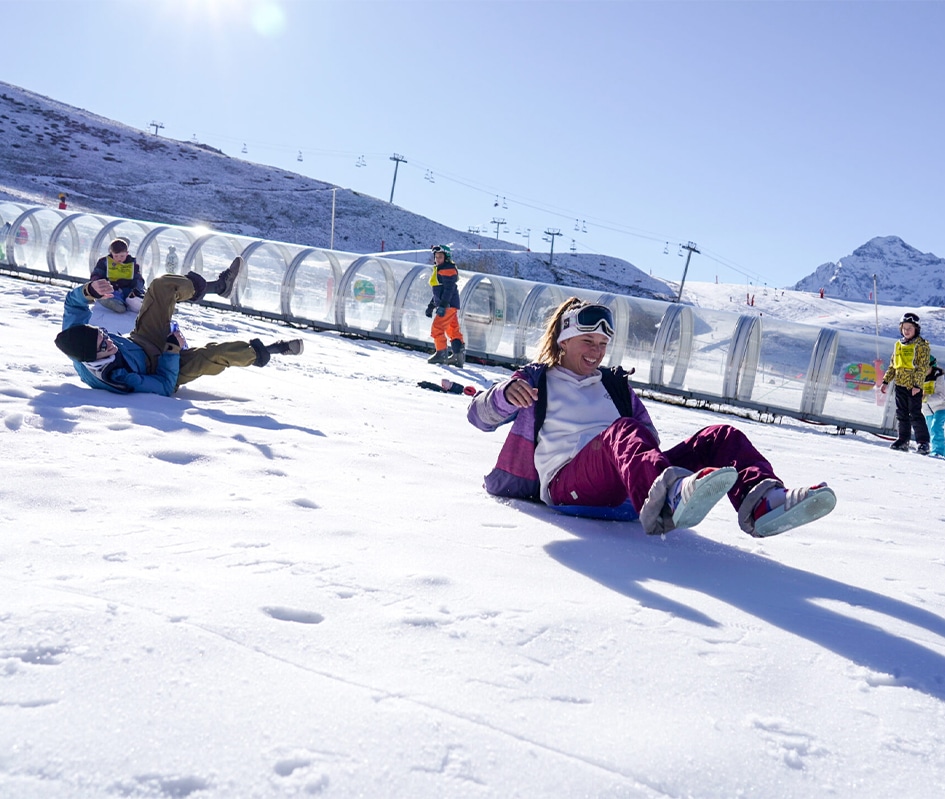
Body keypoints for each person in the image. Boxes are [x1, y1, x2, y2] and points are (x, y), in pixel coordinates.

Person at [467, 297, 837, 538]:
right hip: (569, 487)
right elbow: (478, 416)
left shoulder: (614, 386)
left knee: (721, 436)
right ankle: (668, 498)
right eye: (587, 343)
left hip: (628, 487)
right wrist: (502, 395)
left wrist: (646, 456)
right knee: (621, 431)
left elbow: (647, 440)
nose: (596, 353)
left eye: (602, 345)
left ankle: (762, 503)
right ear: (563, 341)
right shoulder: (536, 380)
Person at [55, 258, 303, 396]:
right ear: (94, 359)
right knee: (215, 354)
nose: (109, 340)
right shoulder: (115, 377)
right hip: (163, 367)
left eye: (102, 335)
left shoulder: (74, 339)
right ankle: (272, 350)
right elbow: (163, 386)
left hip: (142, 339)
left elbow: (72, 305)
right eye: (104, 346)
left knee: (161, 286)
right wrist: (171, 352)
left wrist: (89, 290)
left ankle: (218, 286)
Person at [881, 312, 931, 454]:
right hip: (900, 383)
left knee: (915, 413)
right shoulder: (898, 344)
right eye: (904, 327)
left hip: (913, 386)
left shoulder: (921, 345)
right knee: (901, 413)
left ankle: (923, 442)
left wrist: (917, 385)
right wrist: (886, 381)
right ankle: (903, 439)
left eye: (910, 328)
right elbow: (893, 365)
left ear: (916, 329)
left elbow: (922, 367)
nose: (907, 330)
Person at [425, 244, 466, 367]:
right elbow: (439, 292)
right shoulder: (441, 269)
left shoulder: (447, 269)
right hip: (449, 305)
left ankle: (441, 354)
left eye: (440, 256)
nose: (437, 259)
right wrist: (431, 306)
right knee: (453, 330)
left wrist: (443, 306)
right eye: (436, 256)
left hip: (447, 305)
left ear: (446, 258)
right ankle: (458, 357)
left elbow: (449, 290)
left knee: (437, 328)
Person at [91, 238, 146, 314]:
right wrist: (101, 283)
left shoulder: (132, 264)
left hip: (128, 289)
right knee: (114, 297)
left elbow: (139, 278)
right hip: (112, 288)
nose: (119, 259)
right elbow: (96, 274)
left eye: (122, 256)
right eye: (116, 256)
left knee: (135, 297)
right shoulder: (104, 262)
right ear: (111, 253)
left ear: (127, 253)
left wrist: (136, 287)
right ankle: (109, 301)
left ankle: (136, 304)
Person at [922, 354, 945, 459]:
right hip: (927, 409)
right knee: (931, 430)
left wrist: (926, 398)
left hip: (941, 407)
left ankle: (938, 451)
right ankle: (936, 449)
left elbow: (942, 396)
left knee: (936, 427)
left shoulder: (939, 377)